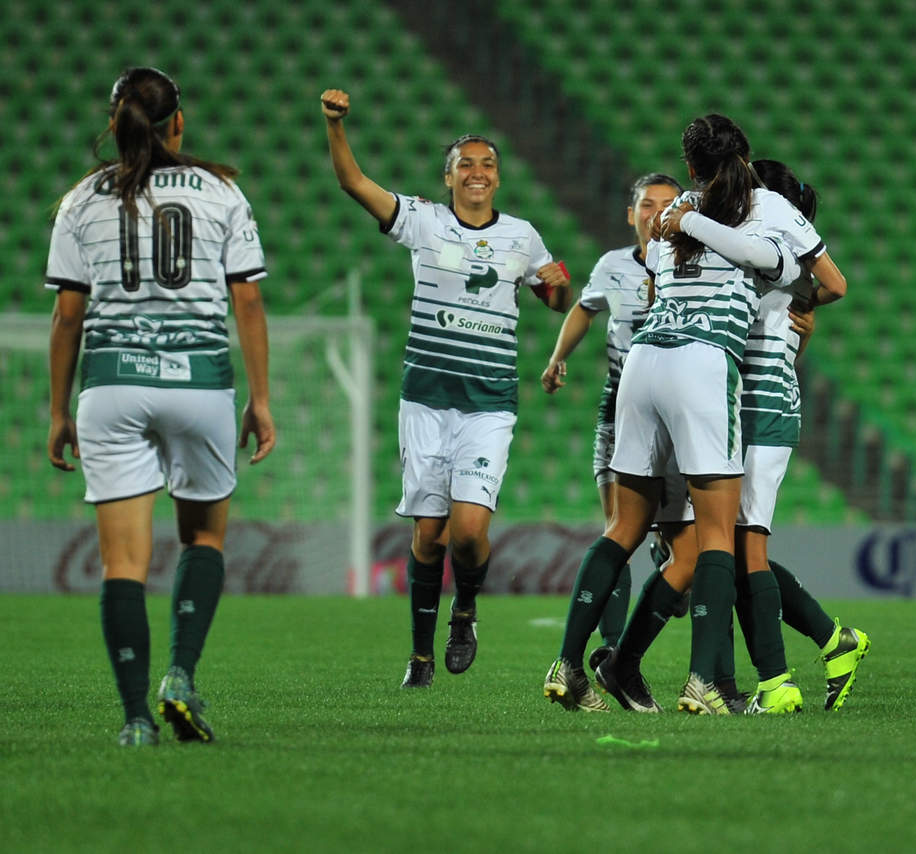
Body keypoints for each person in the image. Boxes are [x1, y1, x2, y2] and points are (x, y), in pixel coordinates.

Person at [543, 114, 803, 715]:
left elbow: (665, 275)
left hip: (641, 365)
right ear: (744, 166)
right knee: (716, 534)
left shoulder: (666, 231)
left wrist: (686, 219)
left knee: (622, 528)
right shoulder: (756, 221)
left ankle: (568, 664)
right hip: (701, 365)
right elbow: (795, 272)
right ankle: (703, 681)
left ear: (690, 170)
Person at [46, 66, 275, 747]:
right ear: (179, 121)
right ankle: (180, 675)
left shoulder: (80, 199)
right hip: (199, 383)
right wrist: (260, 399)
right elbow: (248, 301)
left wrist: (59, 411)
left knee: (123, 563)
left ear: (114, 123)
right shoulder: (220, 192)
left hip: (112, 383)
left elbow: (67, 317)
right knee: (203, 539)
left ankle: (135, 720)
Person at [320, 88, 571, 689]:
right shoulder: (424, 220)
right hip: (426, 400)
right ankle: (420, 656)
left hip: (488, 403)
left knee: (468, 532)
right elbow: (354, 182)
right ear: (449, 176)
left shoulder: (523, 236)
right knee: (428, 535)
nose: (478, 172)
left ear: (498, 178)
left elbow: (556, 295)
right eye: (466, 164)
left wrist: (556, 285)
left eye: (488, 164)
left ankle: (466, 610)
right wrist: (335, 126)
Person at [596, 160, 868, 714]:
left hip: (758, 410)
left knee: (738, 547)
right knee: (716, 550)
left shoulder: (772, 257)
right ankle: (764, 662)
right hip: (720, 404)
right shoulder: (748, 254)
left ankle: (771, 677)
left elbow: (795, 326)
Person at [540, 173, 683, 670]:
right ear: (631, 214)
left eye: (668, 204)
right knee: (619, 528)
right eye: (647, 204)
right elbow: (584, 309)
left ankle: (669, 558)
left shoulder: (697, 265)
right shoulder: (612, 265)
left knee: (679, 539)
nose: (656, 212)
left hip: (677, 412)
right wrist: (557, 357)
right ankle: (614, 647)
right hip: (621, 405)